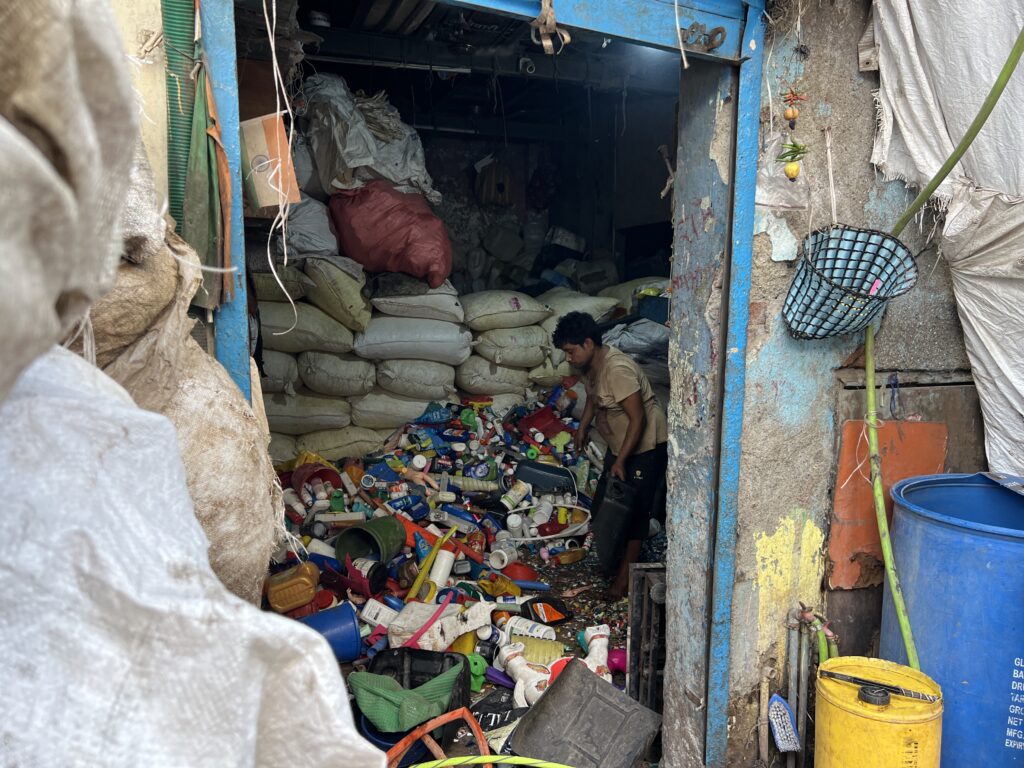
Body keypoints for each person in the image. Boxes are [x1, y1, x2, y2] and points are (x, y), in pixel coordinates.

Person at [552, 311, 668, 599]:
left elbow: (638, 419)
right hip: (619, 447)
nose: (568, 357)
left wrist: (621, 461)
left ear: (588, 343)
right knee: (606, 504)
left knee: (634, 513)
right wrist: (583, 427)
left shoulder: (617, 370)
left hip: (644, 447)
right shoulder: (589, 366)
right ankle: (613, 563)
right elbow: (593, 398)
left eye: (571, 350)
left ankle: (623, 581)